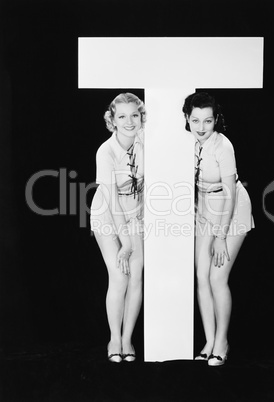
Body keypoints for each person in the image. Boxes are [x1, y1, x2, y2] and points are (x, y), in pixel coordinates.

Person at [182, 92, 254, 366]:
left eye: (208, 121)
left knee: (216, 278)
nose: (201, 127)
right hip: (204, 209)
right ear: (187, 119)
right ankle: (209, 341)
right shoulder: (185, 141)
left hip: (231, 209)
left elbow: (230, 193)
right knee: (201, 276)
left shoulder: (223, 146)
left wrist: (221, 237)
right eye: (196, 120)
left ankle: (222, 342)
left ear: (216, 121)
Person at [90, 93, 145, 363]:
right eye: (121, 116)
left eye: (134, 115)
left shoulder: (145, 142)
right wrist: (126, 242)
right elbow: (111, 201)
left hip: (134, 215)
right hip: (108, 216)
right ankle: (114, 337)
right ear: (112, 119)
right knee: (119, 275)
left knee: (136, 275)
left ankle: (127, 339)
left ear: (141, 116)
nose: (129, 121)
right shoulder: (106, 151)